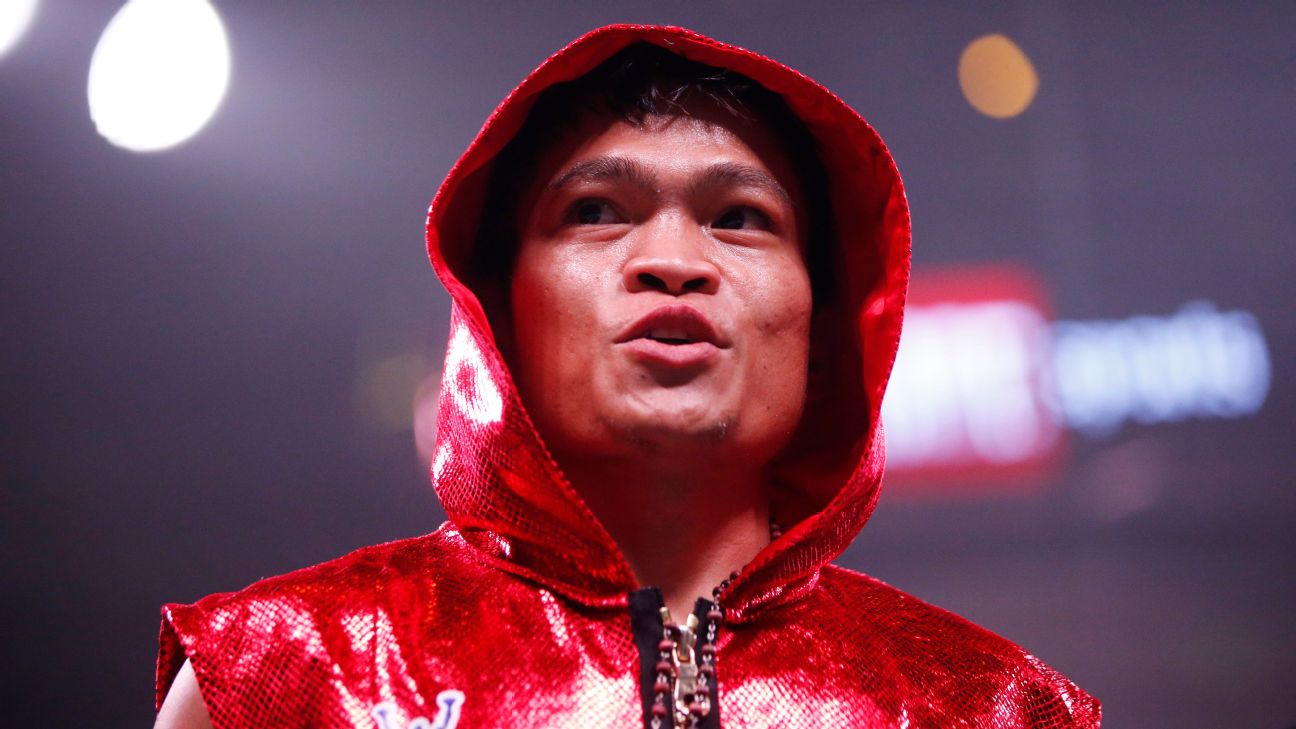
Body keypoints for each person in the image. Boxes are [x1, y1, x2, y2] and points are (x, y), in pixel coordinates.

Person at [154, 24, 1100, 729]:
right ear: (498, 309)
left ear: (824, 324)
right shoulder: (278, 678)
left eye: (741, 219)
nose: (674, 261)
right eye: (598, 210)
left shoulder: (996, 708)